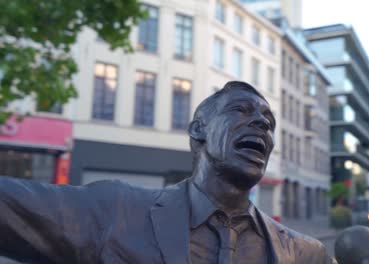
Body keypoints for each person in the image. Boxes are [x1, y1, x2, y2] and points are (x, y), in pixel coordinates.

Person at [0, 81, 335, 263]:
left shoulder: (303, 253)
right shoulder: (115, 211)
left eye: (269, 122)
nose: (263, 123)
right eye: (241, 110)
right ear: (198, 130)